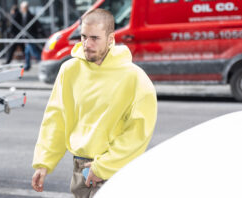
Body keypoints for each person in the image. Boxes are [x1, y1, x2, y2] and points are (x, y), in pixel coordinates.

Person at [31, 8, 157, 198]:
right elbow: (56, 118)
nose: (87, 44)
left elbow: (139, 132)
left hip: (116, 170)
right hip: (80, 168)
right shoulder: (69, 70)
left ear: (111, 38)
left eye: (95, 38)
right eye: (83, 36)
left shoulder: (134, 77)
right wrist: (44, 162)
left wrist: (103, 167)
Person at [20, 1, 45, 70]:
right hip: (28, 37)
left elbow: (32, 27)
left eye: (21, 8)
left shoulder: (29, 16)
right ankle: (27, 65)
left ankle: (42, 63)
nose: (21, 9)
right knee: (27, 52)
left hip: (31, 37)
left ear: (25, 8)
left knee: (34, 52)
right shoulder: (25, 15)